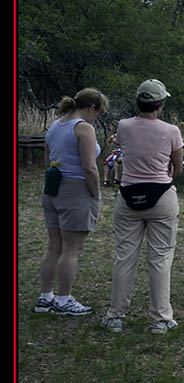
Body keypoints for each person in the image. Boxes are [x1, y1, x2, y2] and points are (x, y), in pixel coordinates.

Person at [100, 79, 183, 334]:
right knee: (160, 259)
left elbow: (123, 147)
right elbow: (177, 167)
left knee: (125, 257)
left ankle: (115, 315)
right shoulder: (172, 131)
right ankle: (160, 318)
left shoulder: (123, 126)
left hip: (128, 195)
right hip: (161, 196)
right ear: (160, 104)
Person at [36, 88, 108, 316]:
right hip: (75, 189)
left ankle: (45, 297)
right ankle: (64, 299)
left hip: (52, 187)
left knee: (53, 246)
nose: (96, 117)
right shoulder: (83, 128)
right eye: (98, 112)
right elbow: (89, 167)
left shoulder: (56, 126)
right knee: (71, 249)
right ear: (91, 108)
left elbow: (48, 159)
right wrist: (95, 193)